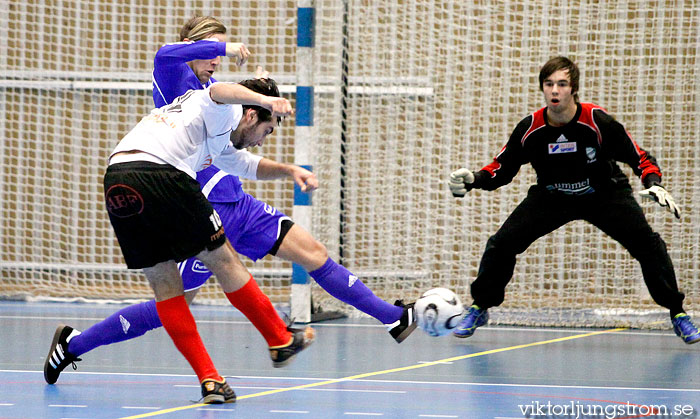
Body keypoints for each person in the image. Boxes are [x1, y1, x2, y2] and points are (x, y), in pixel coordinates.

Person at [44, 16, 416, 391]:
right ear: (192, 44)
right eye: (210, 48)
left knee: (312, 252)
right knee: (176, 297)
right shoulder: (178, 79)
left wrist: (287, 165)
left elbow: (237, 156)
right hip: (186, 195)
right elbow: (211, 85)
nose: (216, 58)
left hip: (231, 198)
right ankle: (76, 344)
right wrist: (248, 79)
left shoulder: (215, 100)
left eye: (219, 50)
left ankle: (390, 318)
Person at [448, 56, 699, 345]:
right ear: (542, 88)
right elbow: (501, 169)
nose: (555, 90)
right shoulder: (531, 128)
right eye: (549, 84)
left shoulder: (597, 121)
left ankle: (677, 313)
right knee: (501, 244)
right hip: (553, 196)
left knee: (649, 245)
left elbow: (638, 156)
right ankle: (481, 306)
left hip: (605, 194)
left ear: (573, 89)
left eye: (562, 84)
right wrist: (473, 180)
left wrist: (654, 183)